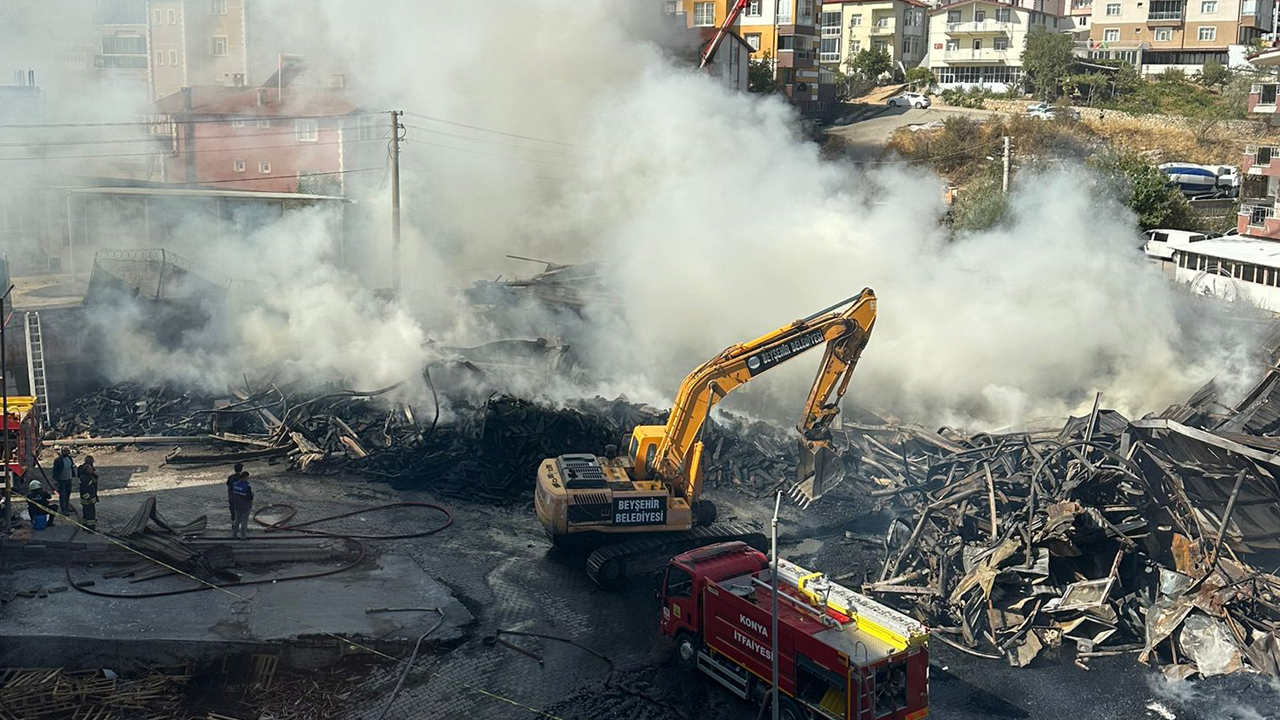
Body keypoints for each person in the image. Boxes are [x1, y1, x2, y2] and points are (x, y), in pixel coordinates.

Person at [51, 448, 77, 516]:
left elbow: (72, 466)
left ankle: (67, 506)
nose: (67, 453)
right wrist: (55, 480)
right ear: (62, 452)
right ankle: (64, 510)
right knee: (62, 495)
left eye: (67, 451)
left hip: (69, 479)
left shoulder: (69, 458)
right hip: (61, 480)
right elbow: (55, 471)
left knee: (68, 494)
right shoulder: (58, 460)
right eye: (65, 451)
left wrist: (73, 474)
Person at [230, 471, 254, 540]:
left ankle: (234, 534)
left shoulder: (235, 484)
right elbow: (250, 497)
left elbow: (233, 493)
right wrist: (253, 495)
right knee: (244, 521)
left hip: (237, 505)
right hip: (246, 506)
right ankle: (243, 536)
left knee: (237, 520)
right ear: (245, 477)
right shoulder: (247, 487)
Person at [79, 455, 100, 530]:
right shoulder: (86, 478)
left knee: (86, 513)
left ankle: (85, 525)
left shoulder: (85, 475)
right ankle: (91, 527)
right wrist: (90, 498)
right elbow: (85, 489)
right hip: (88, 499)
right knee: (90, 513)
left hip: (86, 499)